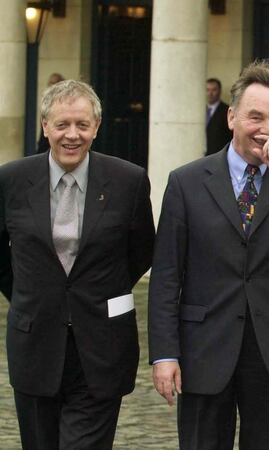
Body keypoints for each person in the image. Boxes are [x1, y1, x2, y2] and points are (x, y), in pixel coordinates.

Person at [148, 59, 269, 449]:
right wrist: (164, 354)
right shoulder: (186, 182)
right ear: (231, 117)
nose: (267, 130)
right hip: (204, 349)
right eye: (256, 117)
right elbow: (167, 274)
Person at [0, 79, 155, 449]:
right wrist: (31, 294)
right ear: (45, 127)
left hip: (103, 346)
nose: (72, 135)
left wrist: (98, 290)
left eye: (82, 125)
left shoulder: (128, 181)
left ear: (96, 127)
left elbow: (141, 253)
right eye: (62, 125)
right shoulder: (11, 180)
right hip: (35, 343)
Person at [36, 72, 65, 154]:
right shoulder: (46, 101)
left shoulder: (65, 102)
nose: (51, 86)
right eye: (50, 83)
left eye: (53, 83)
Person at [205, 77, 233, 155]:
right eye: (207, 90)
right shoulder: (200, 111)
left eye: (214, 90)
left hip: (218, 156)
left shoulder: (227, 111)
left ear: (219, 91)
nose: (210, 93)